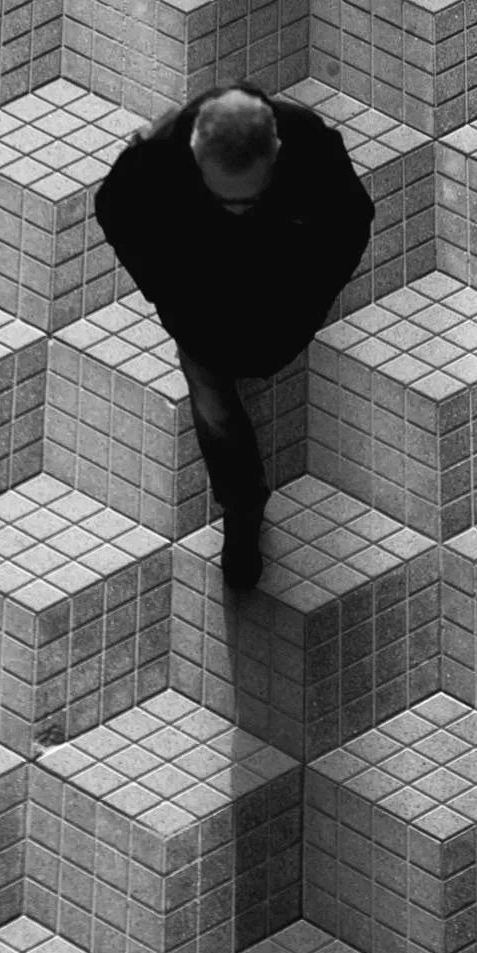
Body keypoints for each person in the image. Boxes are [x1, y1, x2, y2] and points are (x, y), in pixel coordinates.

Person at [93, 83, 375, 591]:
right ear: (194, 152)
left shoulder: (308, 141)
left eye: (252, 197)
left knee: (218, 409)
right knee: (216, 413)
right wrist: (166, 294)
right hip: (204, 330)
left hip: (281, 321)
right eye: (222, 197)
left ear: (276, 150)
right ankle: (243, 510)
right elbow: (114, 210)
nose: (238, 210)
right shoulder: (157, 159)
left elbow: (352, 222)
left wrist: (311, 298)